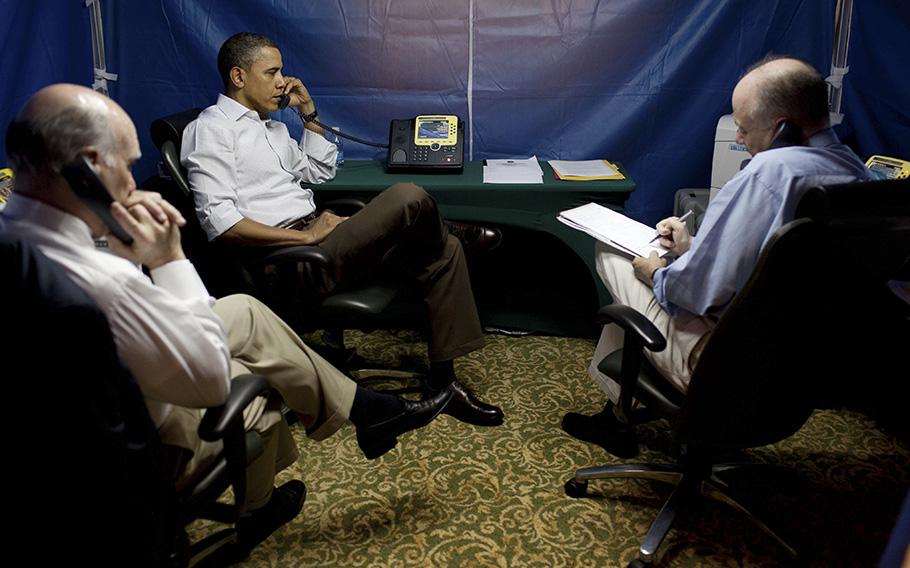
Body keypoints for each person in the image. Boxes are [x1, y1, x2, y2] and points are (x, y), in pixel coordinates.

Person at [1, 83, 453, 549]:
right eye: (129, 166)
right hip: (123, 456)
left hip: (78, 406)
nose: (134, 185)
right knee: (258, 377)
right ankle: (260, 506)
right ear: (89, 168)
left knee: (246, 314)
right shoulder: (94, 281)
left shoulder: (21, 235)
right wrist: (168, 257)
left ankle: (365, 409)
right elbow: (210, 381)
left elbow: (316, 170)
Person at [181, 31, 504, 427]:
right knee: (406, 195)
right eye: (272, 72)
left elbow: (318, 170)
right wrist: (305, 237)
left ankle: (444, 384)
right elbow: (221, 222)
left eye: (281, 71)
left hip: (322, 236)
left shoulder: (272, 128)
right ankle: (451, 226)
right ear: (238, 76)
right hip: (291, 261)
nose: (283, 81)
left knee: (446, 251)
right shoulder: (210, 129)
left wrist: (308, 113)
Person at [562, 55, 874, 456]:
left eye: (743, 128)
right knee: (646, 290)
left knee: (613, 252)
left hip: (722, 366)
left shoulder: (767, 174)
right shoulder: (855, 173)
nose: (739, 139)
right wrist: (694, 247)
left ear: (782, 129)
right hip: (801, 372)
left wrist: (657, 270)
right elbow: (780, 271)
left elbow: (690, 294)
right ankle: (614, 416)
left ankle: (617, 421)